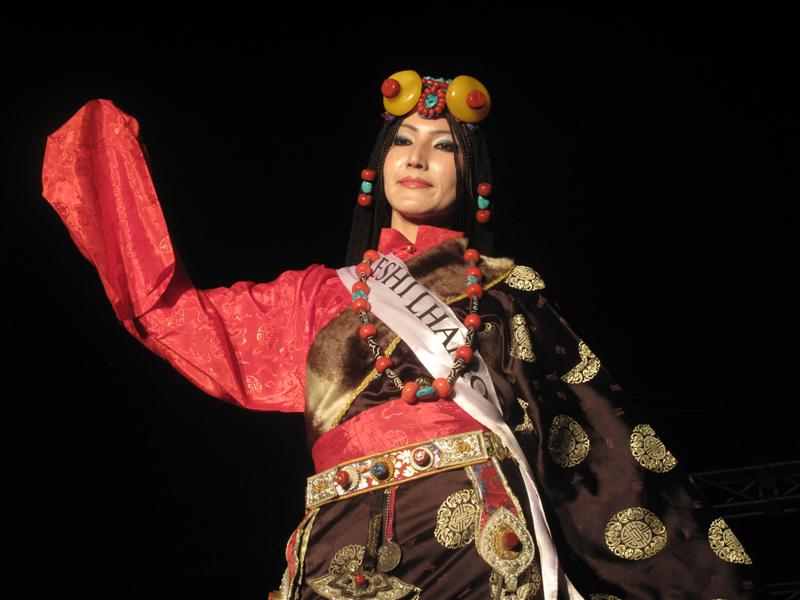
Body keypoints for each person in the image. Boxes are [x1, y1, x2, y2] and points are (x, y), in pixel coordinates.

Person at [41, 70, 758, 600]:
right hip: (344, 534)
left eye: (442, 146)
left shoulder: (506, 291)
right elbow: (177, 318)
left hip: (480, 532)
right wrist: (105, 176)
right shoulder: (314, 295)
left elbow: (599, 451)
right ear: (378, 166)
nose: (416, 157)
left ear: (470, 173)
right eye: (403, 141)